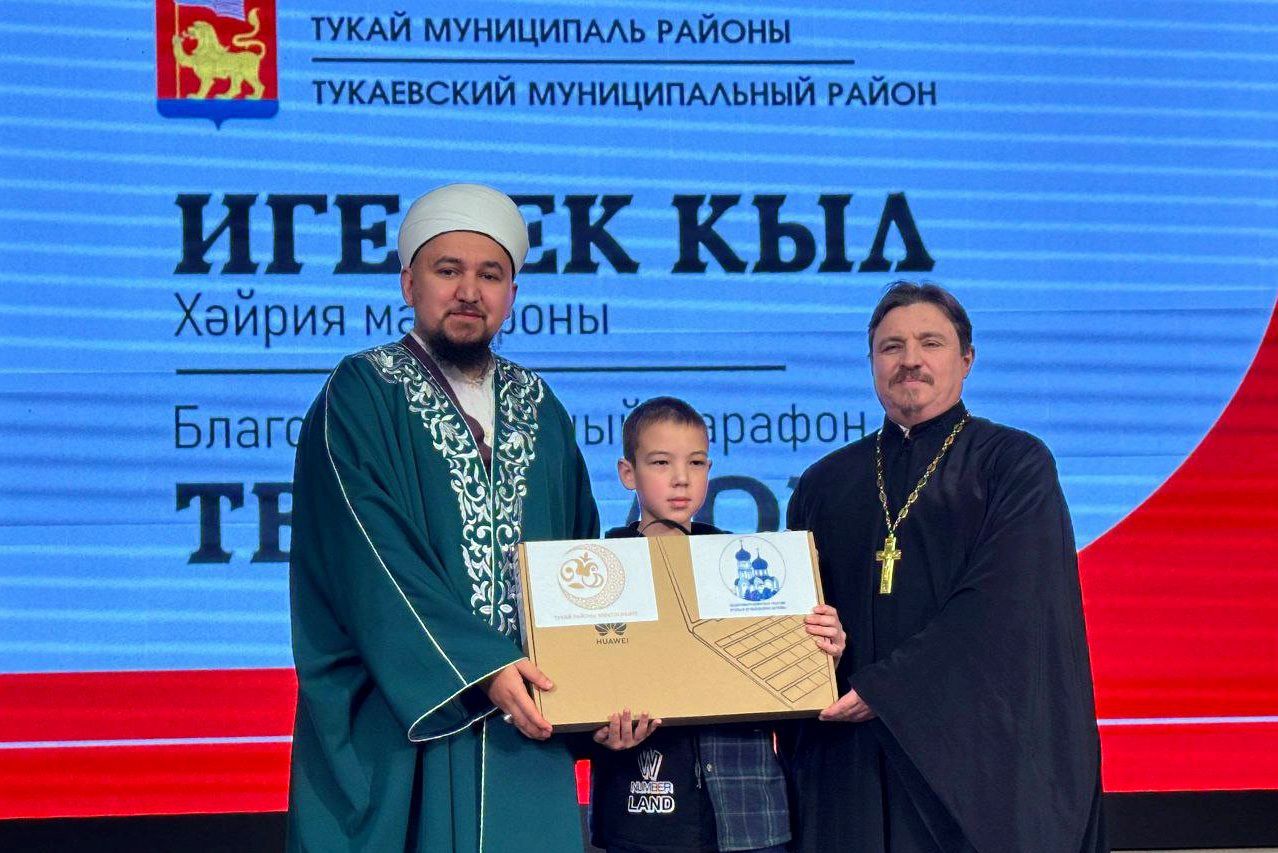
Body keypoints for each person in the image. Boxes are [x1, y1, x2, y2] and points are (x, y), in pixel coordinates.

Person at [286, 183, 599, 852]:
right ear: (409, 283)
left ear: (512, 292)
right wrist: (481, 664)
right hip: (406, 723)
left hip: (530, 725)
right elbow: (368, 554)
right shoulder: (363, 391)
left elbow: (581, 556)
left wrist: (603, 684)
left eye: (490, 275)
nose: (469, 292)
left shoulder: (541, 406)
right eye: (448, 270)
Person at [784, 282, 1107, 853]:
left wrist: (887, 689)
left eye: (930, 343)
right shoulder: (824, 483)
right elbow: (795, 616)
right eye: (892, 347)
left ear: (967, 359)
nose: (910, 360)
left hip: (970, 760)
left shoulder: (1012, 465)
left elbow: (1005, 604)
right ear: (871, 362)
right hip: (849, 759)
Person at [587, 396, 846, 853]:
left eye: (696, 462)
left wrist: (824, 652)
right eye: (661, 462)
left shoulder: (751, 566)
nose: (681, 478)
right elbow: (577, 687)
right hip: (646, 814)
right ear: (628, 473)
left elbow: (792, 682)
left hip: (752, 811)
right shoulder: (598, 574)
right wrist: (597, 733)